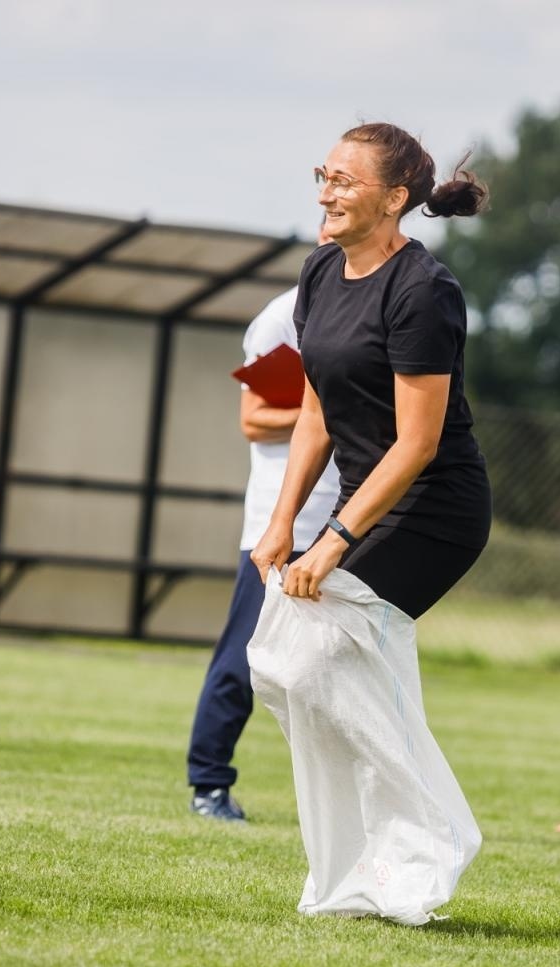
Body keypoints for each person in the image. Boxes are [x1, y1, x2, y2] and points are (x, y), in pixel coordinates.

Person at [247, 122, 490, 919]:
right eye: (324, 173)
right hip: (366, 505)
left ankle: (428, 846)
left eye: (345, 180)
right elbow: (315, 411)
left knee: (318, 661)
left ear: (394, 200)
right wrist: (284, 524)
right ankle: (362, 870)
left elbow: (418, 444)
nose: (325, 190)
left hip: (432, 511)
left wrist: (338, 541)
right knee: (289, 667)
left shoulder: (424, 291)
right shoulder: (320, 272)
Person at [186, 230, 341, 821]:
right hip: (280, 523)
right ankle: (209, 785)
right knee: (245, 661)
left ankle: (343, 801)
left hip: (347, 520)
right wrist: (323, 412)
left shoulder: (372, 313)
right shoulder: (281, 317)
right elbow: (253, 419)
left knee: (338, 666)